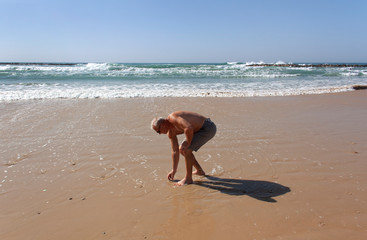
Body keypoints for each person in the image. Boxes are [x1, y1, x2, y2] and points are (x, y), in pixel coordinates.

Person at [151, 111, 216, 186]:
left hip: (208, 127)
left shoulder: (173, 118)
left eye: (158, 131)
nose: (159, 133)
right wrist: (174, 170)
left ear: (163, 124)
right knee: (181, 150)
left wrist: (188, 142)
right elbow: (175, 151)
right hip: (198, 130)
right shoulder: (170, 133)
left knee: (186, 149)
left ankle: (188, 179)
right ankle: (199, 170)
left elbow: (188, 127)